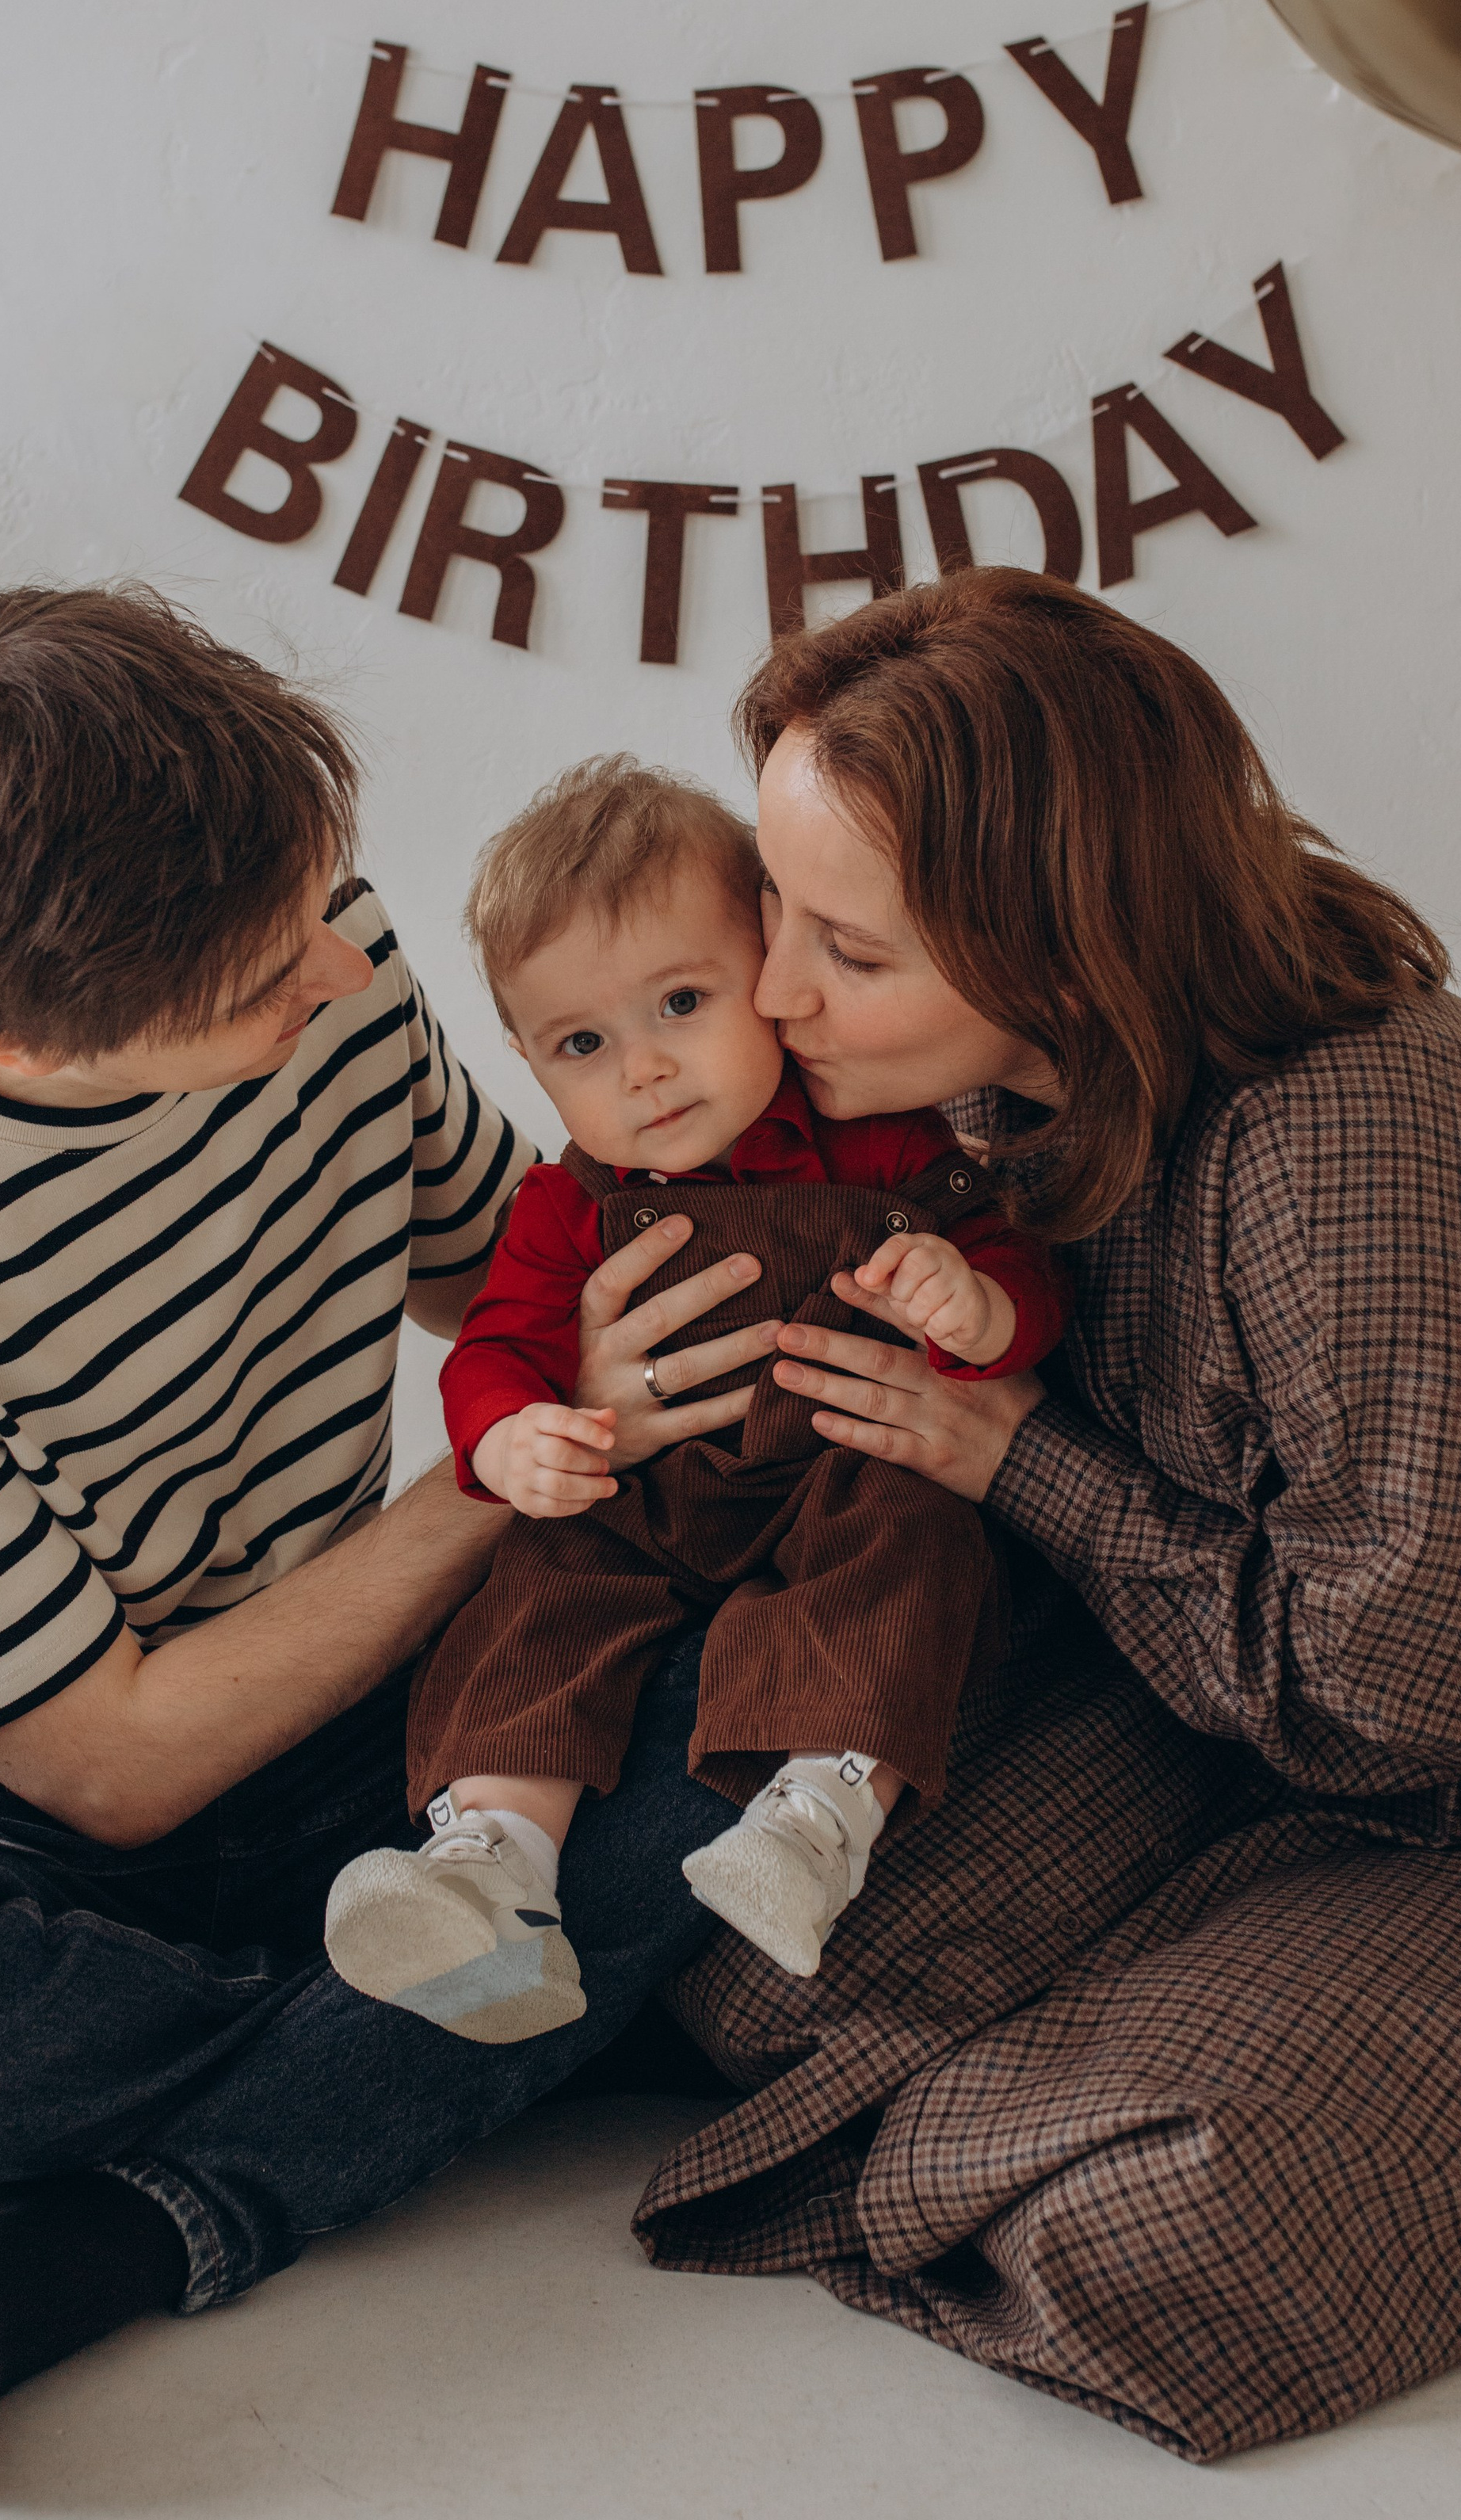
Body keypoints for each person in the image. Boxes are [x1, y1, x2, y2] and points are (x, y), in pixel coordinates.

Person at [0, 585, 782, 2493]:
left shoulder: (315, 934)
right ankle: (497, 2022)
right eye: (267, 979)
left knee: (824, 1655)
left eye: (320, 912)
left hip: (363, 1704)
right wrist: (494, 1475)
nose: (344, 977)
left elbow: (495, 1266)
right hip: (15, 1819)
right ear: (31, 1030)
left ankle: (111, 2218)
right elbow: (110, 1763)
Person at [623, 563, 1461, 2464]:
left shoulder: (1344, 1149)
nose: (777, 992)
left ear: (1054, 941)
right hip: (1234, 1698)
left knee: (1169, 2212)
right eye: (777, 908)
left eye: (847, 954)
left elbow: (1399, 1691)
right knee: (753, 1969)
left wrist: (1010, 1455)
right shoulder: (1014, 1092)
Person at [322, 756, 1066, 2033]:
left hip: (838, 1469)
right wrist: (511, 1439)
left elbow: (1010, 1264)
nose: (646, 1071)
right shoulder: (569, 1202)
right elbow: (496, 1345)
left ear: (769, 970)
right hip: (648, 1500)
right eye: (584, 1043)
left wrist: (975, 1304)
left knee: (913, 1544)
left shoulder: (876, 1140)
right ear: (526, 1058)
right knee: (534, 1596)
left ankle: (819, 1814)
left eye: (681, 1000)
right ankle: (492, 1869)